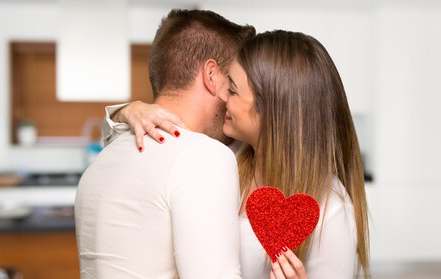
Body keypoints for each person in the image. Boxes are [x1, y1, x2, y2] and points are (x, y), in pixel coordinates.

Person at [109, 31, 371, 278]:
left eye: (233, 90)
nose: (223, 96)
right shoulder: (223, 158)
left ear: (270, 107)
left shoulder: (332, 216)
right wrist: (127, 111)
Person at [75, 9, 255, 278]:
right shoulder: (204, 157)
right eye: (233, 84)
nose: (234, 99)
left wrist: (121, 110)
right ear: (212, 76)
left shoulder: (104, 160)